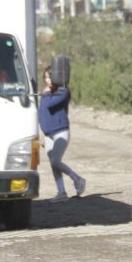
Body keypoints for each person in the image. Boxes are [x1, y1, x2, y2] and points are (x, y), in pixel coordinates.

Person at [39, 68, 85, 202]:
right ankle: (61, 192)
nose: (47, 80)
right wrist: (40, 132)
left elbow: (49, 104)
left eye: (49, 77)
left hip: (61, 131)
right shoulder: (46, 93)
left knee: (55, 161)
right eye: (45, 77)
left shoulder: (63, 91)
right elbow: (41, 112)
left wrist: (46, 94)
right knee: (54, 164)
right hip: (48, 134)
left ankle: (77, 179)